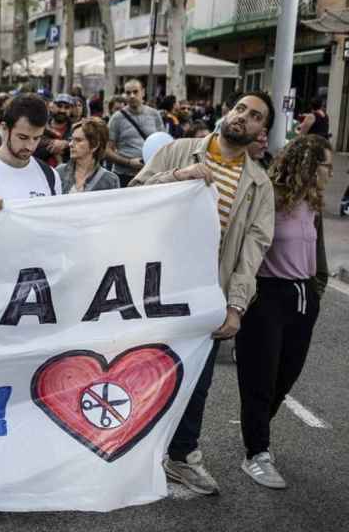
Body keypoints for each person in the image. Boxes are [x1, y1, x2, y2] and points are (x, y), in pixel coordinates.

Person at [131, 91, 276, 496]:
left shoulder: (259, 184)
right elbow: (131, 197)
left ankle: (182, 456)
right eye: (240, 109)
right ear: (229, 112)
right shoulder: (178, 152)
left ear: (261, 131)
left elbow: (254, 249)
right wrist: (176, 178)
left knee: (196, 381)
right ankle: (125, 452)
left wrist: (236, 306)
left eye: (255, 117)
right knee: (137, 369)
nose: (244, 118)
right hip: (152, 288)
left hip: (205, 297)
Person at [235, 134, 332, 490]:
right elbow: (245, 245)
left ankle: (256, 428)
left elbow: (317, 255)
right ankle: (256, 452)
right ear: (307, 164)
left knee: (285, 377)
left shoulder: (314, 202)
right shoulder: (268, 198)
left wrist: (315, 289)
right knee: (259, 379)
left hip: (303, 297)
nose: (330, 173)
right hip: (267, 297)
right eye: (326, 165)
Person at [105, 79, 163, 187]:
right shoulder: (117, 118)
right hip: (123, 175)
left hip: (150, 174)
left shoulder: (154, 115)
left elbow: (163, 144)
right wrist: (128, 162)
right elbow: (107, 150)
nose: (132, 96)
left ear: (143, 92)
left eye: (135, 92)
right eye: (128, 93)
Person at [56, 119, 120, 193]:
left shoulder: (110, 180)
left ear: (95, 145)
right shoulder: (59, 172)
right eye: (71, 139)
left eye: (78, 140)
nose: (70, 144)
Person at [34, 94, 74, 167]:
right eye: (59, 106)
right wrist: (52, 145)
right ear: (52, 107)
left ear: (71, 110)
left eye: (66, 107)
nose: (62, 110)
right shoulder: (40, 125)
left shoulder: (74, 130)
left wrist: (66, 144)